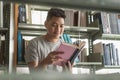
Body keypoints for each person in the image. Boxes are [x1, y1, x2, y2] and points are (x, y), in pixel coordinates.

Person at [25, 7, 72, 73]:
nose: (58, 29)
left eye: (61, 26)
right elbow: (33, 74)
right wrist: (45, 62)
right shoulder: (34, 44)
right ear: (46, 24)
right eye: (54, 25)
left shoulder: (65, 46)